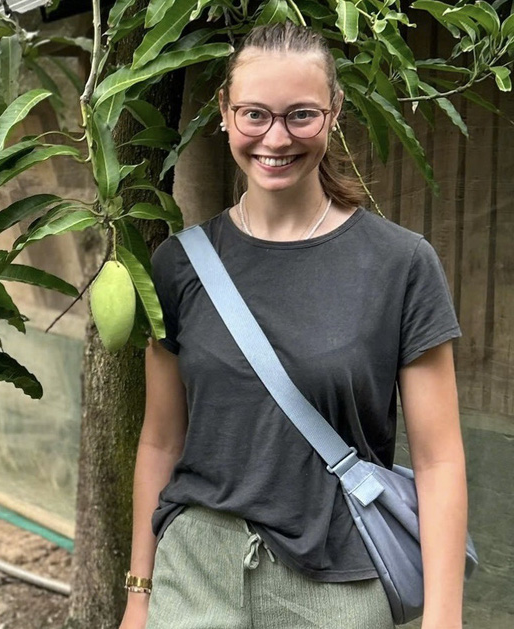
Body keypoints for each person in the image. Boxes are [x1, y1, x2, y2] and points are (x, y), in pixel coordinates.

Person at [119, 23, 469, 629]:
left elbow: (439, 461)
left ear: (333, 113)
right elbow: (160, 441)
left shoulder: (400, 264)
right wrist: (139, 595)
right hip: (193, 578)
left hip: (338, 588)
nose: (275, 138)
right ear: (224, 114)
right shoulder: (179, 265)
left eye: (300, 115)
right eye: (254, 114)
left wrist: (445, 617)